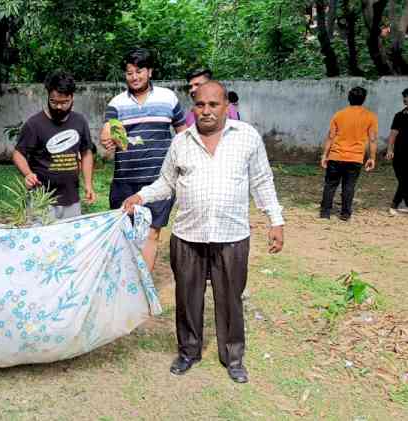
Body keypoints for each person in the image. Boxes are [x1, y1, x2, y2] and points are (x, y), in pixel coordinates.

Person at [122, 81, 285, 383]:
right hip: (188, 236)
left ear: (226, 106)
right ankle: (188, 352)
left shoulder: (247, 138)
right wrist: (141, 196)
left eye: (213, 105)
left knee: (230, 299)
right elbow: (166, 182)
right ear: (193, 107)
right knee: (187, 298)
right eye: (200, 105)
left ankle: (232, 357)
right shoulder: (181, 142)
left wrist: (275, 220)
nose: (206, 111)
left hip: (231, 236)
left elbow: (262, 181)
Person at [100, 48, 187, 273]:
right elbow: (108, 130)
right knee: (124, 232)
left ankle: (143, 285)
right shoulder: (117, 103)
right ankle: (127, 280)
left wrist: (182, 165)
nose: (134, 77)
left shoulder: (168, 98)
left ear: (149, 71)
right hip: (125, 179)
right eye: (129, 73)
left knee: (151, 233)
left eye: (139, 71)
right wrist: (107, 139)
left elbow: (182, 133)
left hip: (159, 180)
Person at [12, 70, 96, 219]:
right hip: (42, 201)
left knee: (70, 240)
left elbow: (86, 152)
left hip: (72, 199)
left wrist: (88, 184)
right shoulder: (34, 124)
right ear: (48, 96)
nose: (58, 107)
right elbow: (18, 153)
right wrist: (28, 173)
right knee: (41, 240)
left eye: (64, 102)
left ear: (72, 97)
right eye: (54, 101)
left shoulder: (80, 121)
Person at [319, 86, 378, 221]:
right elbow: (373, 139)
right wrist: (372, 158)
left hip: (336, 156)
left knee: (330, 184)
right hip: (355, 158)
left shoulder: (339, 114)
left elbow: (330, 136)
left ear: (348, 98)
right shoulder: (370, 116)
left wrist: (324, 155)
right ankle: (345, 214)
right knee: (349, 186)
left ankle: (325, 213)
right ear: (364, 99)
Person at [387, 88, 408, 216]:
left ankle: (394, 205)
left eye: (407, 97)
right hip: (400, 153)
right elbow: (393, 134)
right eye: (404, 97)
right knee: (403, 179)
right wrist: (390, 149)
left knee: (405, 180)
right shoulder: (399, 115)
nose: (405, 99)